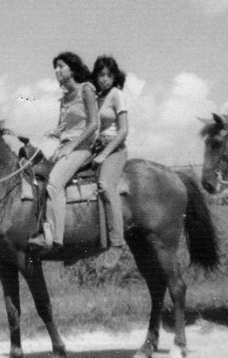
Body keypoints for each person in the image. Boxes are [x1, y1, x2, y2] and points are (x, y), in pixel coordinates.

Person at [29, 52, 98, 252]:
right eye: (55, 67)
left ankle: (55, 238)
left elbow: (93, 124)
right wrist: (55, 133)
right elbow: (63, 128)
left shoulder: (86, 89)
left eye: (61, 66)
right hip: (64, 148)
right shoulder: (64, 99)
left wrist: (71, 145)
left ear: (72, 69)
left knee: (54, 184)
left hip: (82, 149)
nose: (56, 70)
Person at [91, 55, 129, 267]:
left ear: (114, 76)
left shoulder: (117, 95)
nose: (104, 78)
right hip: (95, 149)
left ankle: (117, 243)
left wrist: (105, 154)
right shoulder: (96, 98)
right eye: (100, 74)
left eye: (108, 74)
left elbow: (124, 130)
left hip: (115, 149)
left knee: (105, 185)